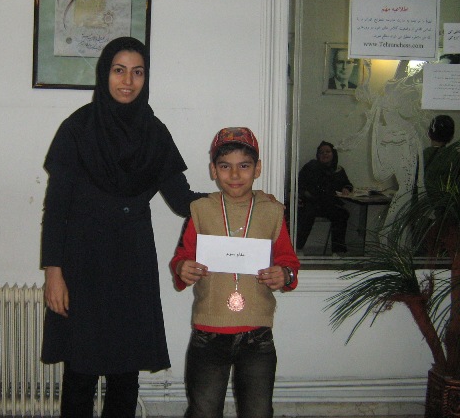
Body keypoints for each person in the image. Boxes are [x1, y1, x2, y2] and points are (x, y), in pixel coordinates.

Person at [39, 36, 207, 418]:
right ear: (105, 74)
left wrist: (236, 198)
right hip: (82, 260)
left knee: (125, 372)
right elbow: (56, 208)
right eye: (119, 70)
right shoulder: (77, 129)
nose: (128, 81)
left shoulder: (154, 131)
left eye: (137, 72)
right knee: (80, 372)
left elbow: (182, 199)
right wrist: (53, 272)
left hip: (132, 260)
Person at [170, 127, 300, 418]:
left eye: (244, 166)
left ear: (258, 169)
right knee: (203, 410)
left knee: (258, 411)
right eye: (225, 166)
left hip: (258, 334)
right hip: (208, 332)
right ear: (213, 170)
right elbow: (182, 257)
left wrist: (285, 275)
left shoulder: (272, 211)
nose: (235, 174)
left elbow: (289, 261)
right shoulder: (200, 210)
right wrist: (182, 268)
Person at [296, 141, 353, 255]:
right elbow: (299, 184)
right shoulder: (311, 167)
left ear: (333, 154)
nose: (324, 154)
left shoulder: (338, 170)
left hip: (328, 204)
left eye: (328, 152)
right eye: (321, 152)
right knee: (307, 214)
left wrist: (346, 189)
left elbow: (348, 184)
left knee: (342, 214)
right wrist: (306, 194)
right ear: (318, 155)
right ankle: (297, 248)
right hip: (311, 202)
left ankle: (338, 251)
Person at [423, 114, 455, 194]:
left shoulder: (421, 155)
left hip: (423, 200)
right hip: (447, 201)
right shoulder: (455, 157)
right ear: (451, 137)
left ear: (429, 133)